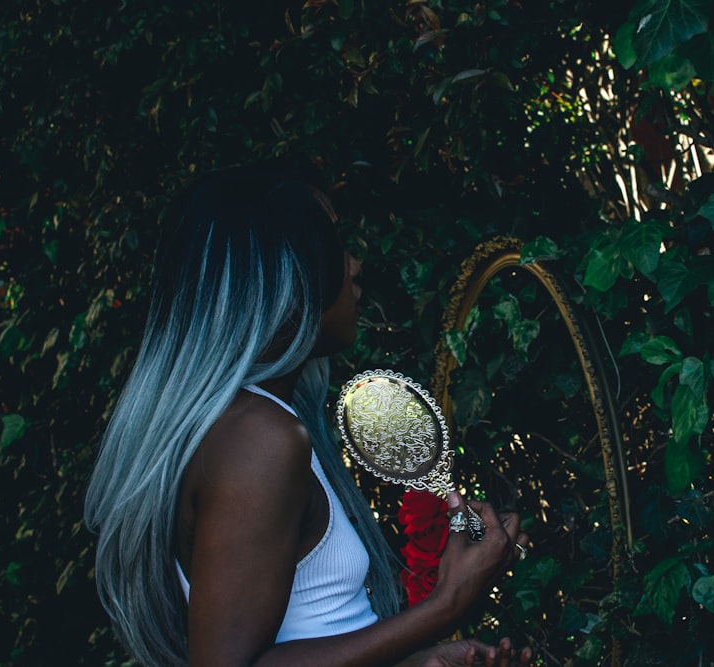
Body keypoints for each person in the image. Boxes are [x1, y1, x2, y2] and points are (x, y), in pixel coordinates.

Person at [84, 163, 533, 667]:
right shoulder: (260, 438)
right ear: (284, 275)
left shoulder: (251, 424)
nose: (355, 265)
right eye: (333, 242)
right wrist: (446, 604)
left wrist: (414, 662)